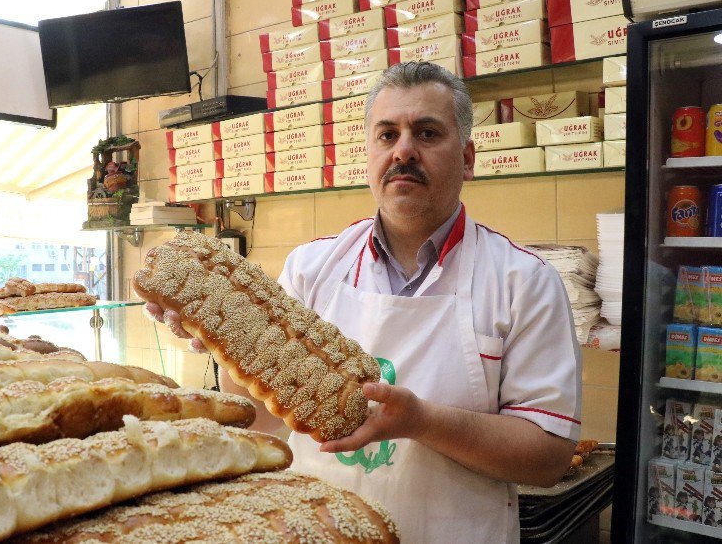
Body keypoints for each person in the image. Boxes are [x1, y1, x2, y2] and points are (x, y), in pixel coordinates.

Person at [145, 62, 581, 542]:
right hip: (318, 531)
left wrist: (421, 421)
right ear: (368, 155)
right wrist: (220, 336)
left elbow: (548, 458)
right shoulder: (312, 266)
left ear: (468, 158)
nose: (404, 151)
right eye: (387, 135)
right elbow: (262, 417)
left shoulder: (524, 281)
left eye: (428, 133)